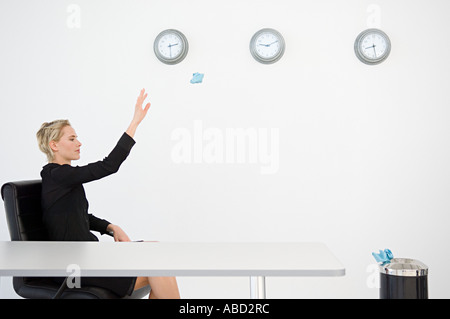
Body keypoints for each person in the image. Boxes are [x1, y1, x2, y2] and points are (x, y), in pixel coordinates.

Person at [35, 89, 180, 299]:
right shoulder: (58, 175)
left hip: (92, 257)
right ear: (54, 145)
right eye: (72, 138)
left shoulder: (62, 178)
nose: (79, 143)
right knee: (158, 267)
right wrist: (134, 123)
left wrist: (110, 227)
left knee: (157, 253)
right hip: (77, 267)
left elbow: (78, 215)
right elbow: (109, 165)